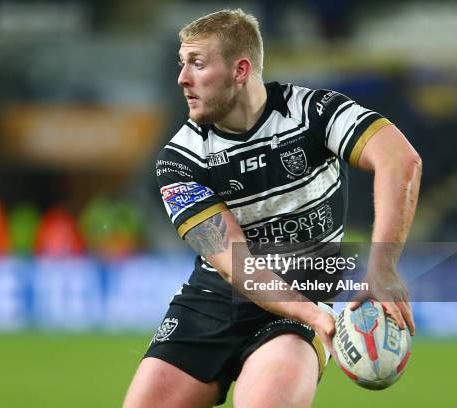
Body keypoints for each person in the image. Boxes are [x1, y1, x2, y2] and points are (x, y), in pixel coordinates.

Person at [124, 8, 421, 408]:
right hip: (212, 301)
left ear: (240, 70)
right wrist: (318, 318)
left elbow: (400, 160)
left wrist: (382, 267)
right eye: (182, 64)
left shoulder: (315, 112)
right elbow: (236, 262)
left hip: (298, 302)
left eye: (197, 64)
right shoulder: (179, 159)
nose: (182, 79)